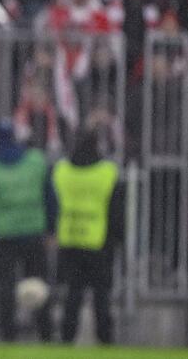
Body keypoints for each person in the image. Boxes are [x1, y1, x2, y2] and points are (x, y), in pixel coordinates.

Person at [54, 128, 124, 344]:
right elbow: (116, 211)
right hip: (99, 241)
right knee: (101, 295)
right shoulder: (107, 172)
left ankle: (67, 337)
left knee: (72, 294)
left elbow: (53, 203)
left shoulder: (62, 170)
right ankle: (104, 338)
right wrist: (118, 239)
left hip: (70, 238)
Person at [0, 121, 54, 342]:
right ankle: (45, 331)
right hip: (33, 231)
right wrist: (51, 228)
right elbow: (49, 197)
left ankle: (8, 333)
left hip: (4, 233)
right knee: (38, 285)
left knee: (5, 287)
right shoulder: (35, 161)